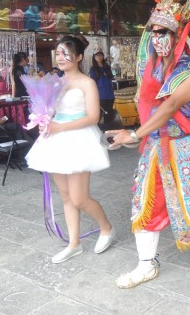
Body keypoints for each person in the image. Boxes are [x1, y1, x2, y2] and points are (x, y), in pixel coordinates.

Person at [108, 0, 190, 292]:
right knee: (144, 203)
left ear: (178, 35)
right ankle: (145, 264)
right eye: (152, 32)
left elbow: (169, 107)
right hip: (154, 146)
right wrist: (141, 135)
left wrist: (133, 133)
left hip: (185, 146)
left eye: (163, 31)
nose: (156, 38)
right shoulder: (151, 67)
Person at [25, 35, 114, 264]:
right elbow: (48, 108)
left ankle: (106, 227)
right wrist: (43, 119)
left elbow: (93, 116)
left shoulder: (87, 82)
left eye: (66, 53)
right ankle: (74, 243)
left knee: (79, 198)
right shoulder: (55, 81)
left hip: (79, 138)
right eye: (58, 52)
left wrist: (60, 126)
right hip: (56, 138)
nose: (61, 57)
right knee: (65, 196)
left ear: (79, 57)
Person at [89, 51, 116, 126]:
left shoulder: (107, 67)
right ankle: (97, 131)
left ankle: (107, 131)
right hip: (100, 95)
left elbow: (111, 76)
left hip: (110, 95)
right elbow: (92, 82)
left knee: (108, 114)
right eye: (97, 56)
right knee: (98, 114)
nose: (99, 57)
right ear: (94, 57)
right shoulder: (93, 69)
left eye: (101, 55)